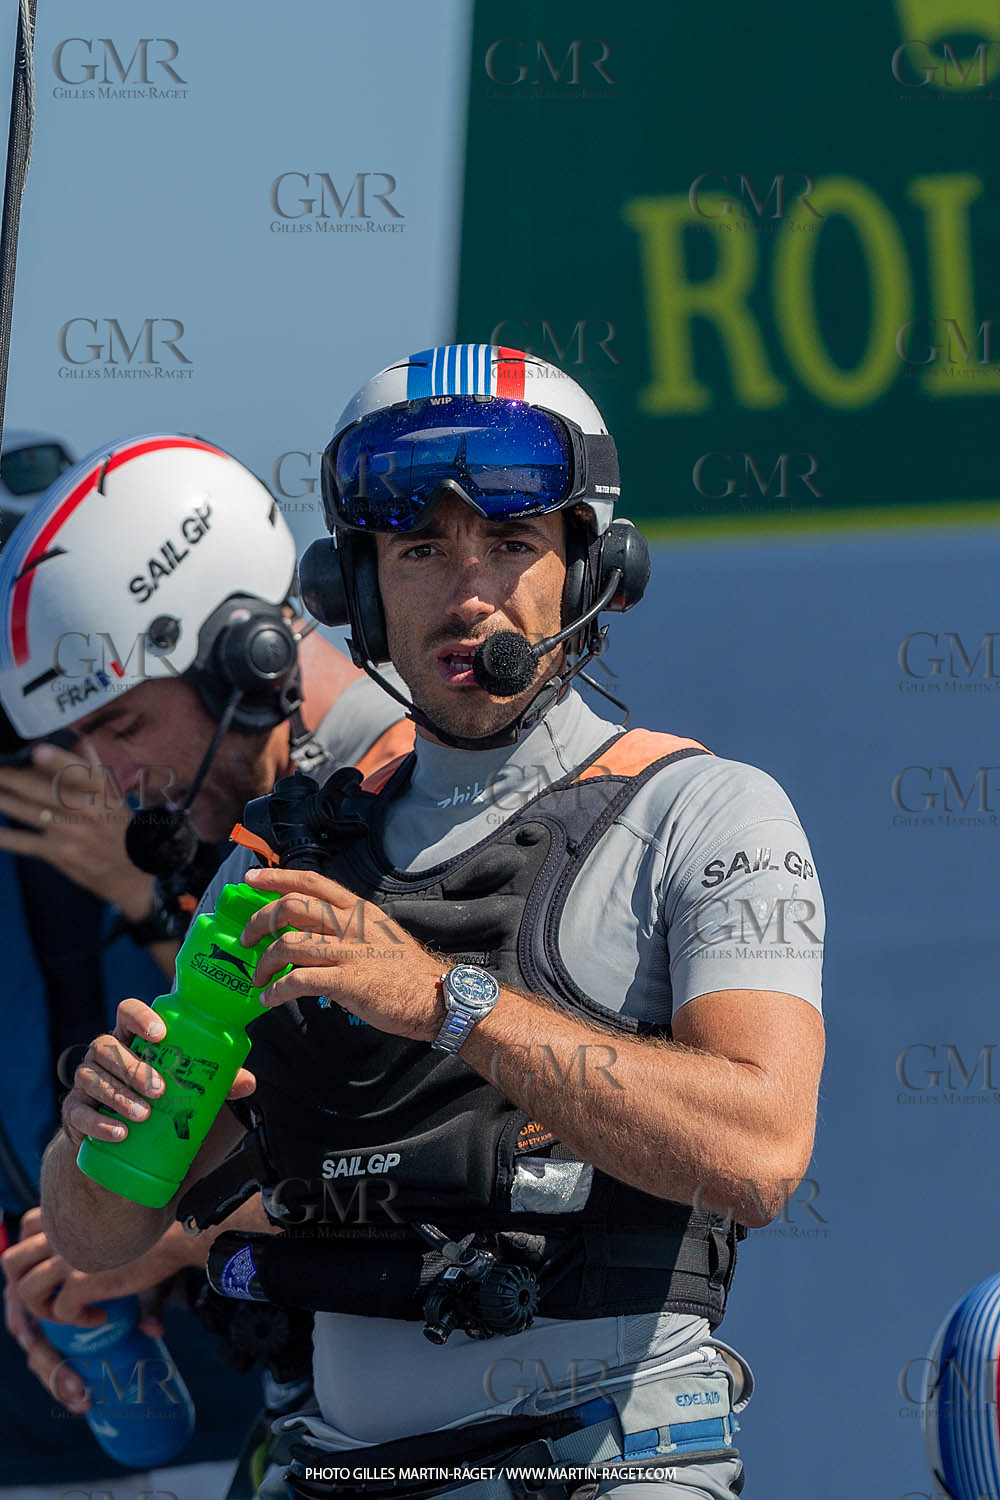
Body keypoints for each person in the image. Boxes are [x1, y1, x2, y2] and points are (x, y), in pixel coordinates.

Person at [40, 350, 826, 1500]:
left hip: (611, 1469)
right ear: (355, 589)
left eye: (510, 546)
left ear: (586, 567)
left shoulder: (705, 811)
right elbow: (99, 1237)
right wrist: (95, 1134)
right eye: (419, 552)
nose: (467, 594)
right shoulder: (275, 855)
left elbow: (760, 1153)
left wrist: (440, 1000)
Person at [0, 432, 411, 1498]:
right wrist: (86, 1247)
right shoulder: (261, 842)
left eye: (122, 725)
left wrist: (172, 1242)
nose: (113, 778)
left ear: (247, 656)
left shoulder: (436, 802)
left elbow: (479, 1159)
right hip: (316, 1430)